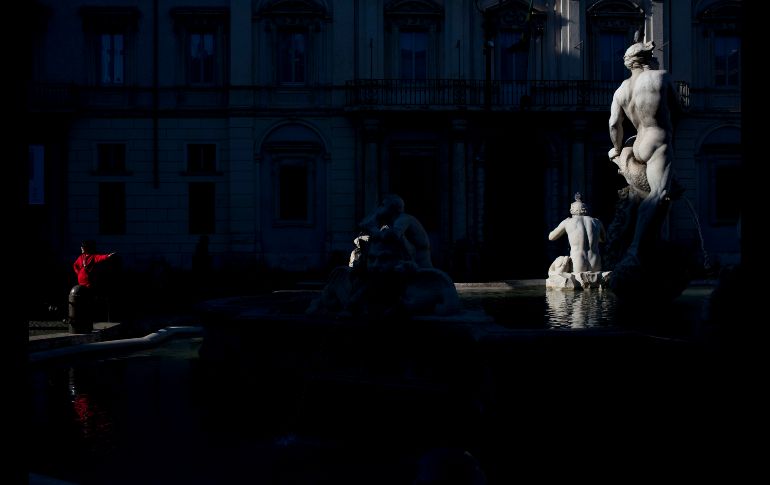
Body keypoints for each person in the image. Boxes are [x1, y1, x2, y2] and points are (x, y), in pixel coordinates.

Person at [607, 34, 680, 260]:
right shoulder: (661, 77)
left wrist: (617, 150)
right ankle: (636, 246)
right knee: (660, 194)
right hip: (658, 139)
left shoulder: (621, 89)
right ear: (648, 58)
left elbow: (613, 124)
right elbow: (677, 108)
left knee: (647, 197)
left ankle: (645, 241)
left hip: (637, 142)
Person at [359, 193, 433, 268]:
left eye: (383, 205)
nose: (380, 208)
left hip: (419, 260)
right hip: (409, 257)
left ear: (392, 207)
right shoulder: (391, 221)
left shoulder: (404, 218)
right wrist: (375, 216)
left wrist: (374, 228)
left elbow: (393, 235)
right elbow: (363, 225)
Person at [548, 193, 606, 273]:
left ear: (571, 210)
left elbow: (551, 237)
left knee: (560, 260)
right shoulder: (597, 222)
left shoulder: (568, 222)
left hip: (578, 262)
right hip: (595, 262)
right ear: (585, 209)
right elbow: (603, 239)